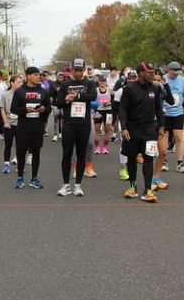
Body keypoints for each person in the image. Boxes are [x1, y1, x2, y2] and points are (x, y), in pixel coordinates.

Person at [119, 62, 165, 203]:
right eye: (149, 72)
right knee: (131, 158)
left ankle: (148, 190)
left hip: (150, 129)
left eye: (152, 72)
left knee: (148, 158)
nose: (152, 74)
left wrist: (162, 126)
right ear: (140, 73)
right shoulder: (129, 89)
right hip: (132, 129)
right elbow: (122, 110)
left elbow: (158, 109)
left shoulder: (155, 89)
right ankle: (133, 187)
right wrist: (124, 128)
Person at [55, 59, 96, 197]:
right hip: (69, 124)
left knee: (81, 154)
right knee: (66, 154)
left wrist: (77, 96)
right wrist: (66, 98)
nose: (77, 73)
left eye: (80, 70)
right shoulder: (66, 84)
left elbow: (93, 96)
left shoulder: (89, 83)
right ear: (71, 70)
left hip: (83, 123)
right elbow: (58, 103)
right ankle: (65, 185)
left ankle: (78, 185)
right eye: (75, 70)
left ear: (84, 70)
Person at [10, 67, 51, 189]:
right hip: (23, 127)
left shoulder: (43, 92)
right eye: (35, 75)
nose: (38, 77)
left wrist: (43, 109)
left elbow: (49, 107)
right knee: (21, 152)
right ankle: (20, 177)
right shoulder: (20, 91)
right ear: (28, 76)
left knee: (36, 153)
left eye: (39, 75)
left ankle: (34, 178)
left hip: (38, 127)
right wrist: (25, 110)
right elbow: (13, 109)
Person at [153, 61, 184, 186]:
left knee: (178, 137)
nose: (175, 74)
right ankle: (163, 160)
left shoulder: (182, 80)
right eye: (173, 71)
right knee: (163, 136)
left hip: (177, 112)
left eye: (177, 72)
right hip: (165, 113)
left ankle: (179, 162)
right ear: (168, 70)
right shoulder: (162, 79)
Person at [0, 75, 23, 173]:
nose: (20, 84)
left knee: (20, 145)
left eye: (21, 82)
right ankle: (6, 164)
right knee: (8, 144)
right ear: (12, 83)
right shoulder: (5, 94)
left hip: (20, 123)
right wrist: (5, 122)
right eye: (18, 82)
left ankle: (19, 165)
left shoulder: (23, 94)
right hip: (9, 123)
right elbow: (2, 109)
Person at [93, 76, 114, 154]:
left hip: (108, 111)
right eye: (101, 81)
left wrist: (108, 103)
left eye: (104, 81)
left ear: (106, 82)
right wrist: (96, 105)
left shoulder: (110, 90)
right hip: (98, 111)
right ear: (98, 82)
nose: (102, 83)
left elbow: (114, 102)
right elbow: (92, 101)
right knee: (97, 130)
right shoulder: (96, 90)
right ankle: (97, 148)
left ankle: (105, 148)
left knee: (107, 130)